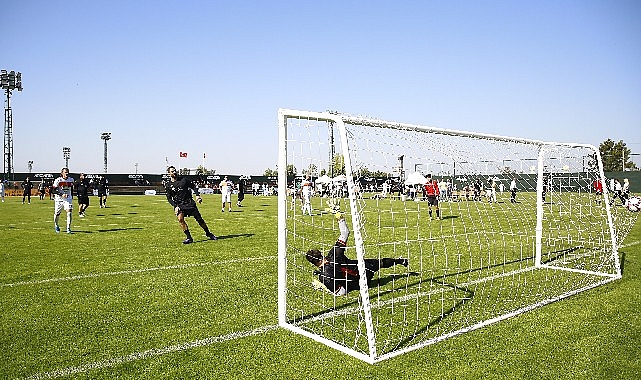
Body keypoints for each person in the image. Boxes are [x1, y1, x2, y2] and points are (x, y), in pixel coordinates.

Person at [305, 211, 408, 296]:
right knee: (380, 263)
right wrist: (339, 216)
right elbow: (345, 232)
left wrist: (324, 287)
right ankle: (400, 261)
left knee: (338, 281)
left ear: (313, 263)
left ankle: (399, 261)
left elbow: (341, 292)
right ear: (321, 254)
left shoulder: (324, 276)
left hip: (360, 284)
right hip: (365, 268)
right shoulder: (334, 254)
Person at [165, 166, 217, 244]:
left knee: (199, 220)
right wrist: (175, 206)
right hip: (179, 205)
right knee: (180, 219)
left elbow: (193, 186)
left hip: (189, 203)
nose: (174, 172)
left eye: (175, 170)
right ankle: (189, 238)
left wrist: (197, 195)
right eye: (172, 171)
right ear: (169, 173)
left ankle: (208, 233)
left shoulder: (184, 180)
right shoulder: (168, 185)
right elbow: (169, 198)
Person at [52, 168, 74, 233]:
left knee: (69, 212)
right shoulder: (58, 180)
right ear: (62, 173)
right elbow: (53, 190)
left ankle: (68, 228)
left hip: (67, 199)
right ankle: (56, 225)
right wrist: (61, 194)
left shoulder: (71, 180)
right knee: (57, 214)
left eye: (67, 172)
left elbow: (71, 189)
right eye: (65, 172)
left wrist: (71, 196)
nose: (66, 174)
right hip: (59, 199)